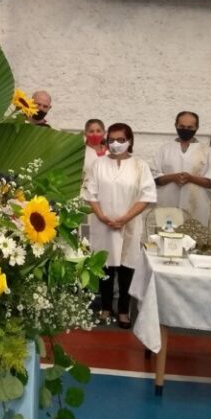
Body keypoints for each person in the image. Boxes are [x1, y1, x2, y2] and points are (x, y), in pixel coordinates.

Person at [84, 122, 157, 329]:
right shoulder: (98, 165)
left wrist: (125, 218)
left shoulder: (140, 165)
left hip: (129, 224)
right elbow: (90, 193)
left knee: (127, 267)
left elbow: (147, 196)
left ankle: (124, 310)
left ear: (130, 141)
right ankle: (106, 307)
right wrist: (102, 216)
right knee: (105, 265)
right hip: (103, 224)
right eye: (112, 140)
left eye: (121, 140)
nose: (116, 143)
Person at [151, 111, 211, 228]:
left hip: (197, 206)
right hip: (168, 205)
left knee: (195, 237)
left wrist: (191, 178)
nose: (185, 130)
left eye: (189, 127)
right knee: (167, 237)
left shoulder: (207, 152)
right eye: (182, 126)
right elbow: (154, 178)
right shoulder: (164, 149)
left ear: (197, 127)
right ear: (176, 125)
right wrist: (173, 177)